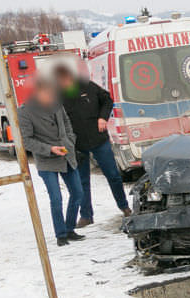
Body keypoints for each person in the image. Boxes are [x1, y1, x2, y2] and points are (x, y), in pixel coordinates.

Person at [54, 65, 130, 228]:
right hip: (78, 145)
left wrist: (103, 117)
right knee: (82, 181)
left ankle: (124, 206)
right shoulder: (59, 97)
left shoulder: (87, 86)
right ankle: (86, 215)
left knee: (113, 175)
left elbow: (107, 100)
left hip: (98, 140)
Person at [19, 76, 85, 247]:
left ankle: (70, 228)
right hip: (47, 161)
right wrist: (49, 149)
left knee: (78, 193)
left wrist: (70, 141)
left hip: (67, 154)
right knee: (56, 198)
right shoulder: (25, 111)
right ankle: (61, 234)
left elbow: (67, 124)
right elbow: (26, 140)